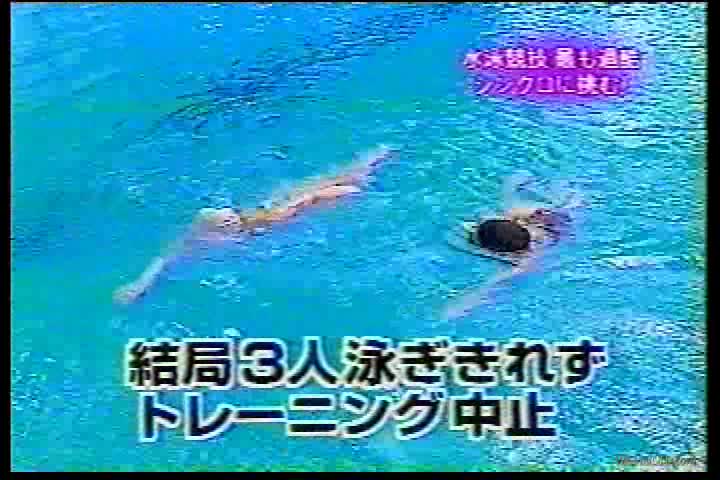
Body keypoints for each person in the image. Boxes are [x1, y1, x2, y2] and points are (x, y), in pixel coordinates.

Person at [113, 144, 395, 305]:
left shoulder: (269, 220)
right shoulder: (200, 237)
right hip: (278, 207)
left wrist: (346, 194)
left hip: (283, 209)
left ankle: (373, 160)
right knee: (336, 180)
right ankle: (372, 160)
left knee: (347, 180)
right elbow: (166, 258)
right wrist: (141, 284)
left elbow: (309, 201)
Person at [440, 173, 583, 321]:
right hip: (557, 217)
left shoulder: (528, 259)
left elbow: (491, 287)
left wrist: (458, 307)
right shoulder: (521, 213)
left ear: (497, 252)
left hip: (560, 225)